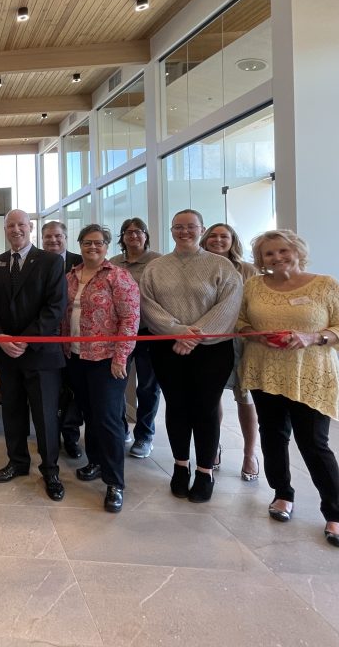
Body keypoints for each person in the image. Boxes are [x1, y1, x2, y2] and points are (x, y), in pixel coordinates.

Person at [238, 230, 339, 548]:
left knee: (314, 444)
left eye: (282, 251)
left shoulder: (326, 284)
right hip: (267, 372)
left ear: (297, 251)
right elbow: (241, 322)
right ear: (260, 260)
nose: (277, 258)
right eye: (269, 254)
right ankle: (282, 494)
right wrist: (256, 334)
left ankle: (336, 515)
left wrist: (312, 337)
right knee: (273, 436)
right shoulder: (253, 286)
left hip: (311, 374)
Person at [140, 209, 242, 503]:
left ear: (202, 229)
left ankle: (205, 470)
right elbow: (148, 305)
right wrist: (179, 332)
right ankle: (181, 466)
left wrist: (195, 335)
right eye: (178, 227)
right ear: (172, 231)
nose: (184, 232)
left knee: (206, 408)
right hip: (168, 347)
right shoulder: (156, 267)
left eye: (191, 227)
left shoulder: (221, 266)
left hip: (212, 350)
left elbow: (229, 306)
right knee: (177, 406)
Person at [0, 209, 68, 501]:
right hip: (7, 355)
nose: (15, 229)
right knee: (12, 412)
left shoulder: (52, 261)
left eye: (20, 225)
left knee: (45, 417)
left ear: (30, 227)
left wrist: (25, 340)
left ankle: (51, 470)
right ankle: (17, 463)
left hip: (41, 354)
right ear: (5, 229)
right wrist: (1, 338)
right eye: (10, 225)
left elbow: (55, 308)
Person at [62, 224, 140, 513]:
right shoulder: (70, 276)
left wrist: (121, 357)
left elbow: (130, 320)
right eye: (87, 242)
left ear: (107, 246)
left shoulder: (118, 277)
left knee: (108, 419)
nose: (92, 247)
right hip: (75, 357)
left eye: (98, 243)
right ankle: (95, 461)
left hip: (107, 360)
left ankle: (114, 482)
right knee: (90, 414)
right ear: (80, 245)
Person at [200, 222, 261, 480]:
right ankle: (212, 446)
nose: (217, 240)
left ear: (233, 240)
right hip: (212, 340)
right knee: (212, 398)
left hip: (242, 341)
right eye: (212, 236)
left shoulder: (248, 270)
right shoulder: (199, 268)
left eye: (223, 236)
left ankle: (250, 453)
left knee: (244, 398)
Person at [109, 218, 162, 459]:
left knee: (148, 386)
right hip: (119, 333)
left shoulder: (158, 262)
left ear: (146, 235)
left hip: (148, 332)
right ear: (122, 237)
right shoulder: (113, 263)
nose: (133, 236)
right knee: (116, 382)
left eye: (138, 232)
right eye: (128, 232)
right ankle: (121, 427)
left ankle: (145, 435)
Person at [42, 220, 85, 459]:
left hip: (73, 340)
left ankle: (70, 436)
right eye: (48, 237)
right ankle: (50, 437)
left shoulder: (79, 262)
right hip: (46, 340)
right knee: (51, 392)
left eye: (57, 236)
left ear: (66, 237)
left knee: (72, 391)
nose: (53, 241)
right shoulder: (36, 262)